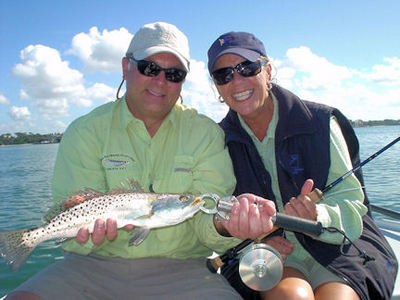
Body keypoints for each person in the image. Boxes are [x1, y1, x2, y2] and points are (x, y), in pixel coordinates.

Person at [6, 22, 277, 300]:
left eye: (174, 74)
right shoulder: (84, 131)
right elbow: (71, 208)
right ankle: (24, 240)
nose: (160, 81)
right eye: (149, 68)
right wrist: (84, 232)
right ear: (126, 67)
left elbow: (207, 223)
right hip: (89, 266)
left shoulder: (205, 134)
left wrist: (226, 225)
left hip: (185, 271)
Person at [207, 31, 398, 300]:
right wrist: (253, 238)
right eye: (223, 74)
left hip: (337, 247)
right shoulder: (216, 142)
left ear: (268, 70)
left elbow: (352, 204)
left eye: (247, 67)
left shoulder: (321, 122)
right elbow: (215, 215)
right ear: (216, 85)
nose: (237, 80)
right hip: (267, 253)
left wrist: (318, 216)